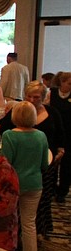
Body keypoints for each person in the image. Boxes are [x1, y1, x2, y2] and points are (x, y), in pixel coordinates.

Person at [0, 81, 66, 232]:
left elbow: (61, 133)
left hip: (47, 162)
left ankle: (38, 230)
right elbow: (3, 131)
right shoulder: (18, 111)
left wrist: (61, 150)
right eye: (29, 96)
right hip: (21, 162)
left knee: (42, 200)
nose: (31, 100)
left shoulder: (52, 112)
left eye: (36, 97)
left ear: (43, 97)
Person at [1, 102, 49, 251]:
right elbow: (44, 164)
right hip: (35, 183)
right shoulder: (41, 135)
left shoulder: (9, 135)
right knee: (29, 225)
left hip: (14, 184)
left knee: (9, 222)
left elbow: (6, 163)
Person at [48, 72, 71, 203]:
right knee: (53, 162)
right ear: (61, 83)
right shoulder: (52, 94)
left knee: (67, 165)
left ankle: (63, 191)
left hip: (69, 134)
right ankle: (51, 189)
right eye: (69, 83)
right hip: (55, 133)